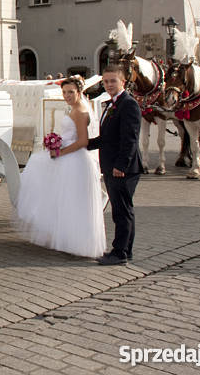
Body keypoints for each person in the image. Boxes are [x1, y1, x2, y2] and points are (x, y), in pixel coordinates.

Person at [12, 76, 107, 258]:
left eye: (71, 92)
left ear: (79, 92)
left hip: (75, 158)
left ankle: (73, 240)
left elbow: (82, 141)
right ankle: (65, 237)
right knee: (65, 199)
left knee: (66, 195)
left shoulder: (80, 111)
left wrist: (60, 152)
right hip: (69, 154)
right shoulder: (75, 108)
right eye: (64, 92)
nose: (67, 95)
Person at [87, 65, 144, 265]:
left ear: (123, 82)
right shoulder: (112, 104)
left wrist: (121, 165)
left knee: (122, 211)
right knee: (121, 210)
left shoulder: (128, 104)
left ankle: (119, 253)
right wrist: (83, 144)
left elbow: (130, 139)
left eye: (113, 81)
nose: (109, 84)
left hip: (123, 168)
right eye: (106, 81)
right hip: (112, 165)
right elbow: (107, 138)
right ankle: (124, 251)